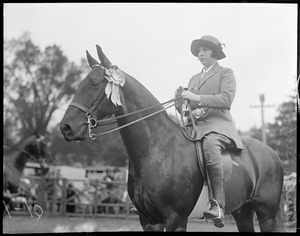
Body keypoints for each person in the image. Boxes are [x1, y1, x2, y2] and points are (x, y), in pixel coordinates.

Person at [175, 35, 243, 228]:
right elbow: (188, 110)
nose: (200, 54)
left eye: (204, 50)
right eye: (198, 51)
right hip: (195, 127)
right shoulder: (194, 78)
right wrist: (180, 102)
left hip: (218, 125)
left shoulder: (226, 73)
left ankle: (217, 205)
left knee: (210, 144)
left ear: (214, 52)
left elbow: (226, 100)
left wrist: (196, 96)